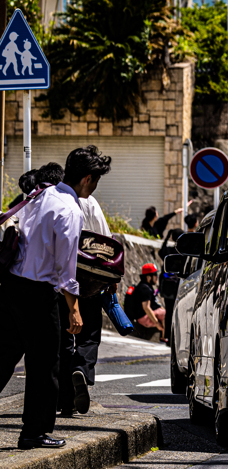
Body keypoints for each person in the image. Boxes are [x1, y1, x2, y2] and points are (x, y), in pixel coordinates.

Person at [0, 151, 95, 448]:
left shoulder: (41, 194)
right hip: (39, 294)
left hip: (12, 285)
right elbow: (66, 269)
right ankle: (34, 433)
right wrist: (74, 309)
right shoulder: (70, 210)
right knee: (44, 366)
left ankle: (34, 431)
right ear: (87, 179)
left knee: (3, 357)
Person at [54, 149, 112, 417]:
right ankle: (83, 367)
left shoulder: (49, 198)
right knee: (88, 334)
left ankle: (64, 400)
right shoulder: (85, 205)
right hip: (83, 280)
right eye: (97, 180)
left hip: (50, 282)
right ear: (88, 178)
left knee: (63, 340)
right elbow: (106, 243)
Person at [125, 264, 166, 340]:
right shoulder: (145, 288)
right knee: (166, 314)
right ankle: (165, 338)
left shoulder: (147, 287)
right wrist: (157, 323)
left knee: (164, 312)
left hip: (144, 316)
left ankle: (165, 336)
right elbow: (146, 307)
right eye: (155, 274)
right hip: (143, 318)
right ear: (148, 277)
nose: (157, 277)